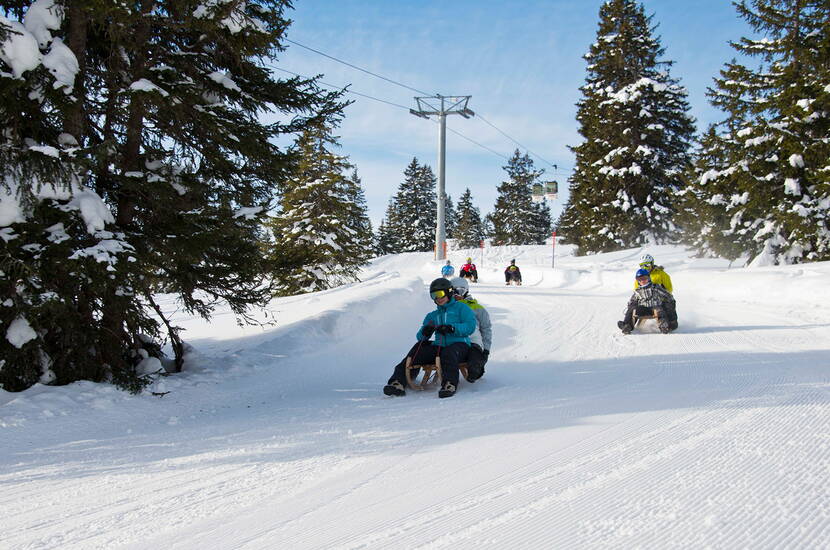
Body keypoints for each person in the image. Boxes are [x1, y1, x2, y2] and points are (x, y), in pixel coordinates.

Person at [383, 278, 477, 398]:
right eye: (434, 295)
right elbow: (420, 337)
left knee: (449, 352)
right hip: (439, 346)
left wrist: (452, 328)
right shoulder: (432, 315)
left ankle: (449, 384)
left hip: (460, 346)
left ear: (448, 292)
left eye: (440, 294)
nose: (438, 298)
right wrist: (425, 332)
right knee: (419, 347)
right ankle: (398, 382)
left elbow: (470, 326)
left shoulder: (461, 308)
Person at [450, 277, 491, 382]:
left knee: (474, 364)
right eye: (454, 292)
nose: (457, 295)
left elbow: (486, 329)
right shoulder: (447, 308)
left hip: (473, 342)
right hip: (454, 341)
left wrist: (486, 350)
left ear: (466, 291)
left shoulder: (477, 308)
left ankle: (476, 367)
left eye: (460, 291)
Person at [618, 268, 678, 334]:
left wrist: (667, 304)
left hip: (655, 307)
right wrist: (632, 305)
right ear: (637, 281)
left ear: (648, 278)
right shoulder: (637, 291)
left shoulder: (655, 287)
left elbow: (667, 295)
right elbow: (632, 300)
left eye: (644, 278)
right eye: (640, 279)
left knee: (659, 310)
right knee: (633, 308)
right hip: (643, 309)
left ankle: (664, 325)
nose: (642, 281)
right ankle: (627, 326)